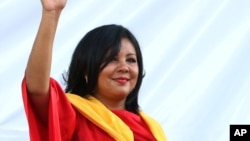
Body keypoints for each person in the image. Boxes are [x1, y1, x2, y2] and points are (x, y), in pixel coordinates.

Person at [22, 0, 167, 140]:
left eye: (131, 60)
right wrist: (51, 14)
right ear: (86, 70)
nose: (124, 67)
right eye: (112, 59)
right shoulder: (75, 114)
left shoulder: (152, 128)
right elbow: (36, 88)